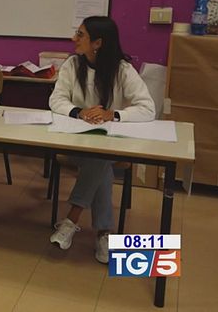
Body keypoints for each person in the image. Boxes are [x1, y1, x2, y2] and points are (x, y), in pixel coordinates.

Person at [48, 16, 155, 264]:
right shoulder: (72, 65)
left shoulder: (122, 70)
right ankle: (104, 232)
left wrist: (113, 115)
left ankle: (71, 220)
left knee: (100, 158)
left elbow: (148, 108)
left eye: (80, 35)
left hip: (111, 143)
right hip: (75, 143)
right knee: (101, 163)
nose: (74, 39)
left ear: (97, 43)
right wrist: (79, 112)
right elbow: (56, 99)